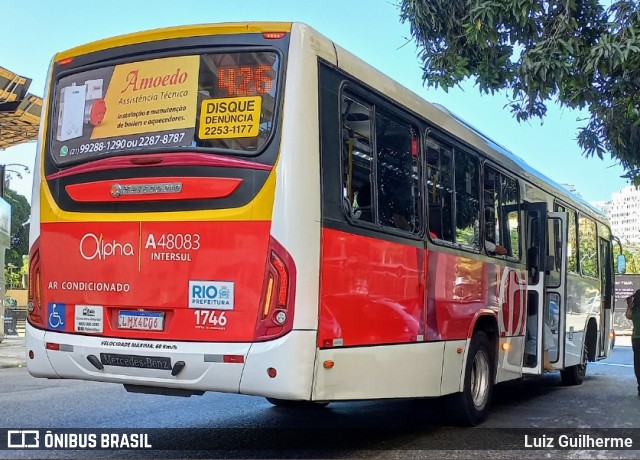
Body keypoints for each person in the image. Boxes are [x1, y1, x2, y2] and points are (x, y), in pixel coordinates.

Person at [625, 290, 640, 396]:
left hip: (636, 339)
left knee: (638, 363)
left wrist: (630, 305)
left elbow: (628, 316)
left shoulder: (634, 309)